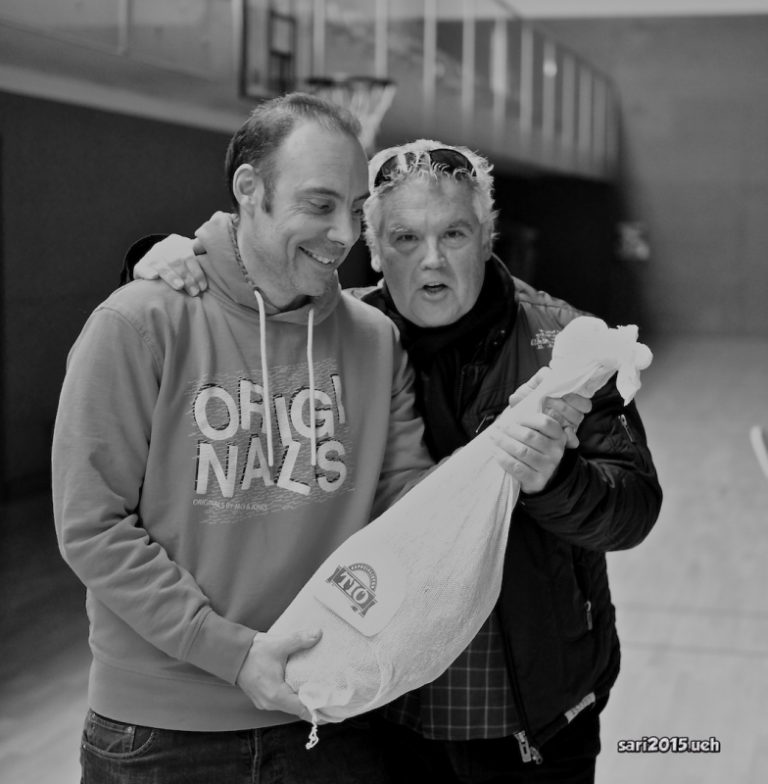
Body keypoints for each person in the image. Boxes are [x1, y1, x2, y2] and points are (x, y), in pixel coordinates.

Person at [127, 139, 662, 783]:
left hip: (534, 713)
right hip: (381, 718)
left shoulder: (566, 345)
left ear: (486, 237)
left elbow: (634, 509)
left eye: (453, 234)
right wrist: (163, 261)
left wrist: (557, 479)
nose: (432, 259)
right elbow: (234, 324)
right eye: (405, 238)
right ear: (375, 250)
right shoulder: (335, 335)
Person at [53, 94, 440, 784]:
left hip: (328, 716)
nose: (343, 234)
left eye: (355, 209)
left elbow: (404, 510)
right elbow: (93, 526)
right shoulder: (140, 322)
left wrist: (502, 461)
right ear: (250, 189)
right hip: (160, 732)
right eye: (319, 205)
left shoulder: (376, 340)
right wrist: (230, 653)